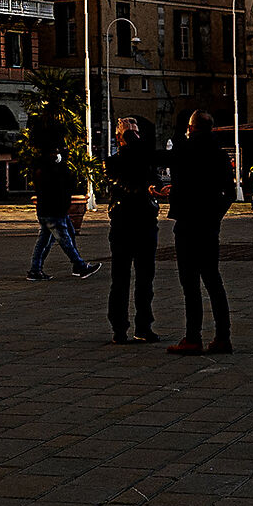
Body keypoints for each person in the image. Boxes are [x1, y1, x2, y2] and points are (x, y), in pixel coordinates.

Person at [167, 110, 234, 354]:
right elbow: (230, 192)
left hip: (187, 223)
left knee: (190, 283)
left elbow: (164, 164)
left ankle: (193, 337)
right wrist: (215, 215)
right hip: (208, 225)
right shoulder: (219, 155)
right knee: (213, 281)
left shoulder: (185, 150)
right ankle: (223, 336)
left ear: (191, 127)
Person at [104, 122, 160, 343]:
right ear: (120, 138)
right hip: (123, 222)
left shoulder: (145, 158)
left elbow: (153, 177)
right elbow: (120, 185)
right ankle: (119, 327)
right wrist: (146, 188)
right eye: (130, 133)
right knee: (120, 278)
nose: (135, 137)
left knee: (146, 278)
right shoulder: (113, 161)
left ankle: (144, 326)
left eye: (137, 133)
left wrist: (156, 188)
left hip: (146, 222)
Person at [28, 148, 98, 281]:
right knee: (64, 240)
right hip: (54, 211)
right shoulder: (51, 172)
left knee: (45, 241)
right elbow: (64, 185)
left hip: (49, 210)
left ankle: (35, 270)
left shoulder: (42, 170)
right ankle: (80, 265)